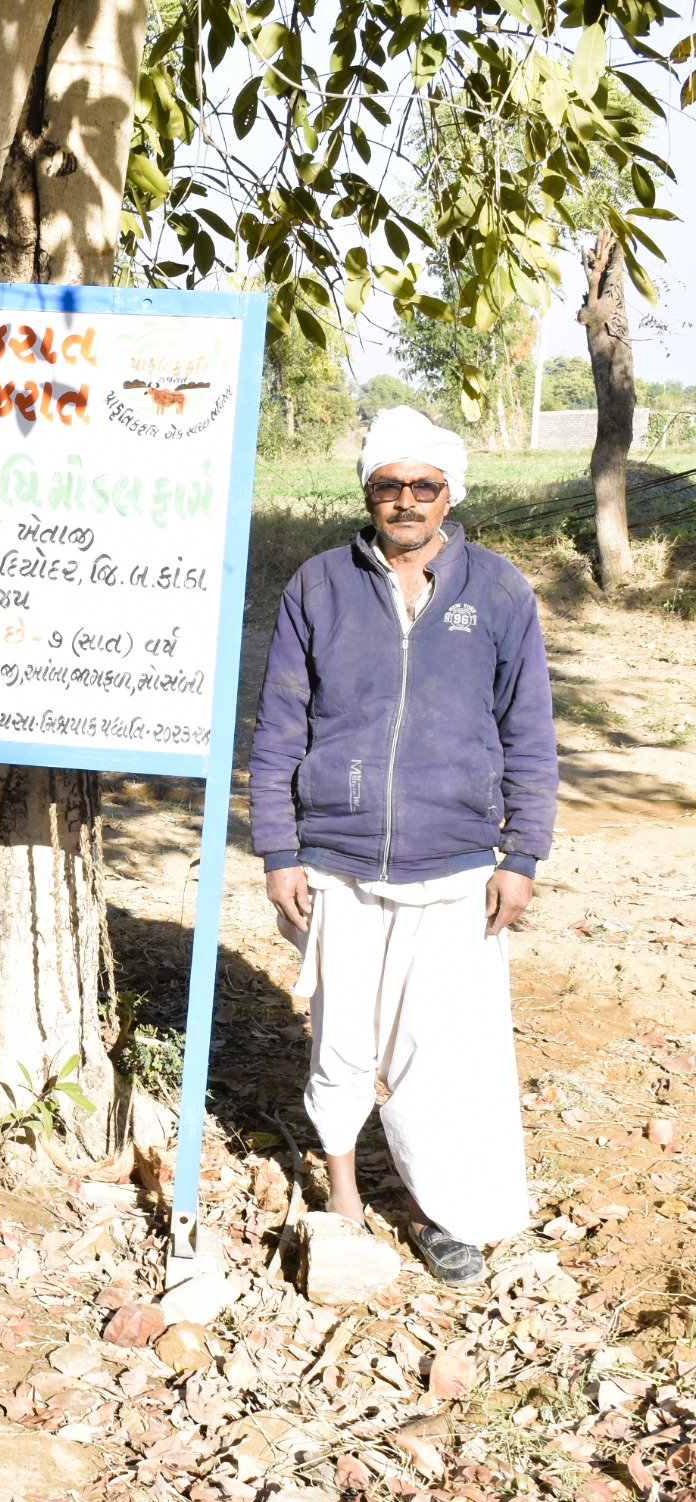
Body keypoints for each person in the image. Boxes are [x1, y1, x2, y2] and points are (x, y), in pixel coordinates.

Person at [248, 406, 558, 1285]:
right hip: (335, 861)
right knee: (341, 1040)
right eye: (391, 486)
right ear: (369, 493)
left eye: (425, 486)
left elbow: (529, 734)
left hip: (458, 864)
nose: (407, 501)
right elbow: (279, 730)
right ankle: (343, 1196)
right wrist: (279, 850)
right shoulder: (318, 585)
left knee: (436, 1049)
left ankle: (439, 1212)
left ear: (450, 494)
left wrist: (522, 855)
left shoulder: (498, 591)